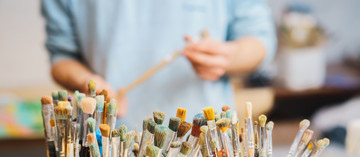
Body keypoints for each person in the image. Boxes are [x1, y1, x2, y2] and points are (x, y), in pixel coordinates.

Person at [42, 0, 276, 129]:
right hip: (110, 144)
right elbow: (62, 56)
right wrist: (88, 84)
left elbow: (260, 41)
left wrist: (229, 56)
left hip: (205, 146)